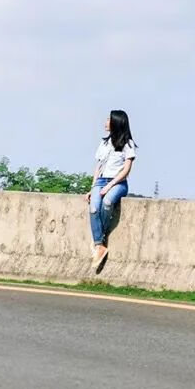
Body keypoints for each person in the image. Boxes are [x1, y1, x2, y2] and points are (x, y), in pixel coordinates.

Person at [88, 109, 136, 272]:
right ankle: (99, 245)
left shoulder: (127, 144)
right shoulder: (104, 143)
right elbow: (98, 167)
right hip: (100, 181)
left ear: (116, 122)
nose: (105, 122)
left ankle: (99, 240)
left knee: (107, 202)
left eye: (109, 119)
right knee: (94, 207)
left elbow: (126, 170)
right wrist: (93, 187)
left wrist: (110, 186)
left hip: (118, 183)